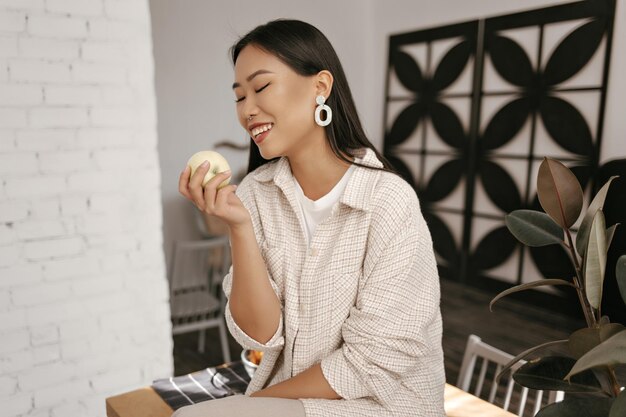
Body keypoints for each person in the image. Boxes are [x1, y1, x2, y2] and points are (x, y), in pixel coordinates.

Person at [175, 19, 445, 417]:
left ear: (320, 87)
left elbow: (374, 361)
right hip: (293, 397)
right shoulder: (255, 193)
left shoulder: (389, 202)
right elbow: (260, 336)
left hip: (384, 404)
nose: (248, 110)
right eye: (239, 96)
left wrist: (251, 405)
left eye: (261, 87)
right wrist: (239, 227)